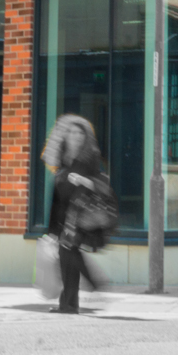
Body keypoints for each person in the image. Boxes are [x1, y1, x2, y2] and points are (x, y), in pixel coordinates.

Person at [40, 114, 115, 313]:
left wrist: (83, 181)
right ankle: (70, 304)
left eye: (80, 133)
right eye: (72, 132)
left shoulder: (90, 159)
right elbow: (56, 197)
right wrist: (51, 230)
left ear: (85, 137)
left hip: (81, 216)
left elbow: (103, 185)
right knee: (67, 257)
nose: (76, 136)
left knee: (68, 254)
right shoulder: (62, 160)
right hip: (64, 217)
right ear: (65, 135)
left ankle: (88, 288)